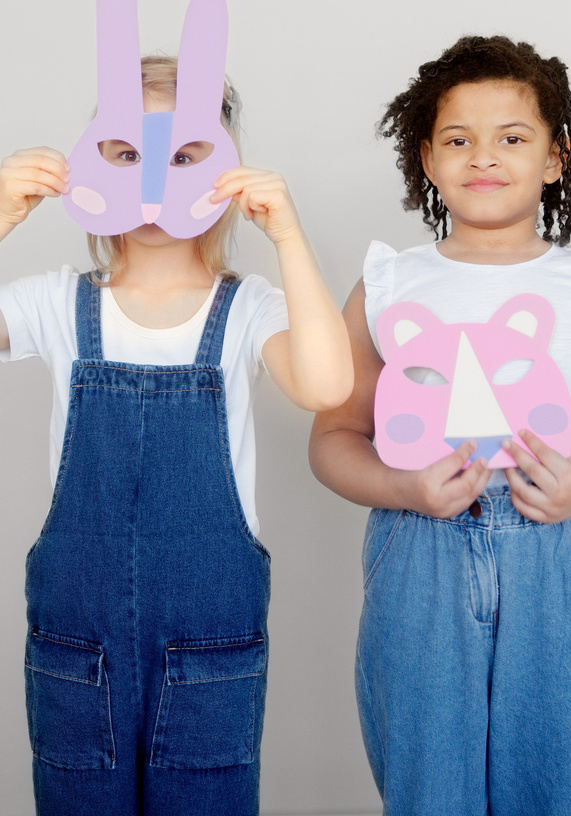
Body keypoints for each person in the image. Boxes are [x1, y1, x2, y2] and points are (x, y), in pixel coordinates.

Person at [0, 58, 353, 816]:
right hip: (76, 645)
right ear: (93, 161)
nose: (154, 180)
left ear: (224, 174)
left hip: (209, 646)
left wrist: (287, 236)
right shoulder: (58, 305)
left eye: (186, 157)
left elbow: (327, 386)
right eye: (128, 154)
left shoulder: (248, 309)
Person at [310, 35, 571, 816]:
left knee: (559, 781)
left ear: (556, 159)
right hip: (419, 544)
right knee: (430, 786)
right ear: (426, 160)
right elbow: (332, 438)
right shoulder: (389, 283)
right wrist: (399, 485)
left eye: (513, 138)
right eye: (458, 140)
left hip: (562, 548)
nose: (484, 157)